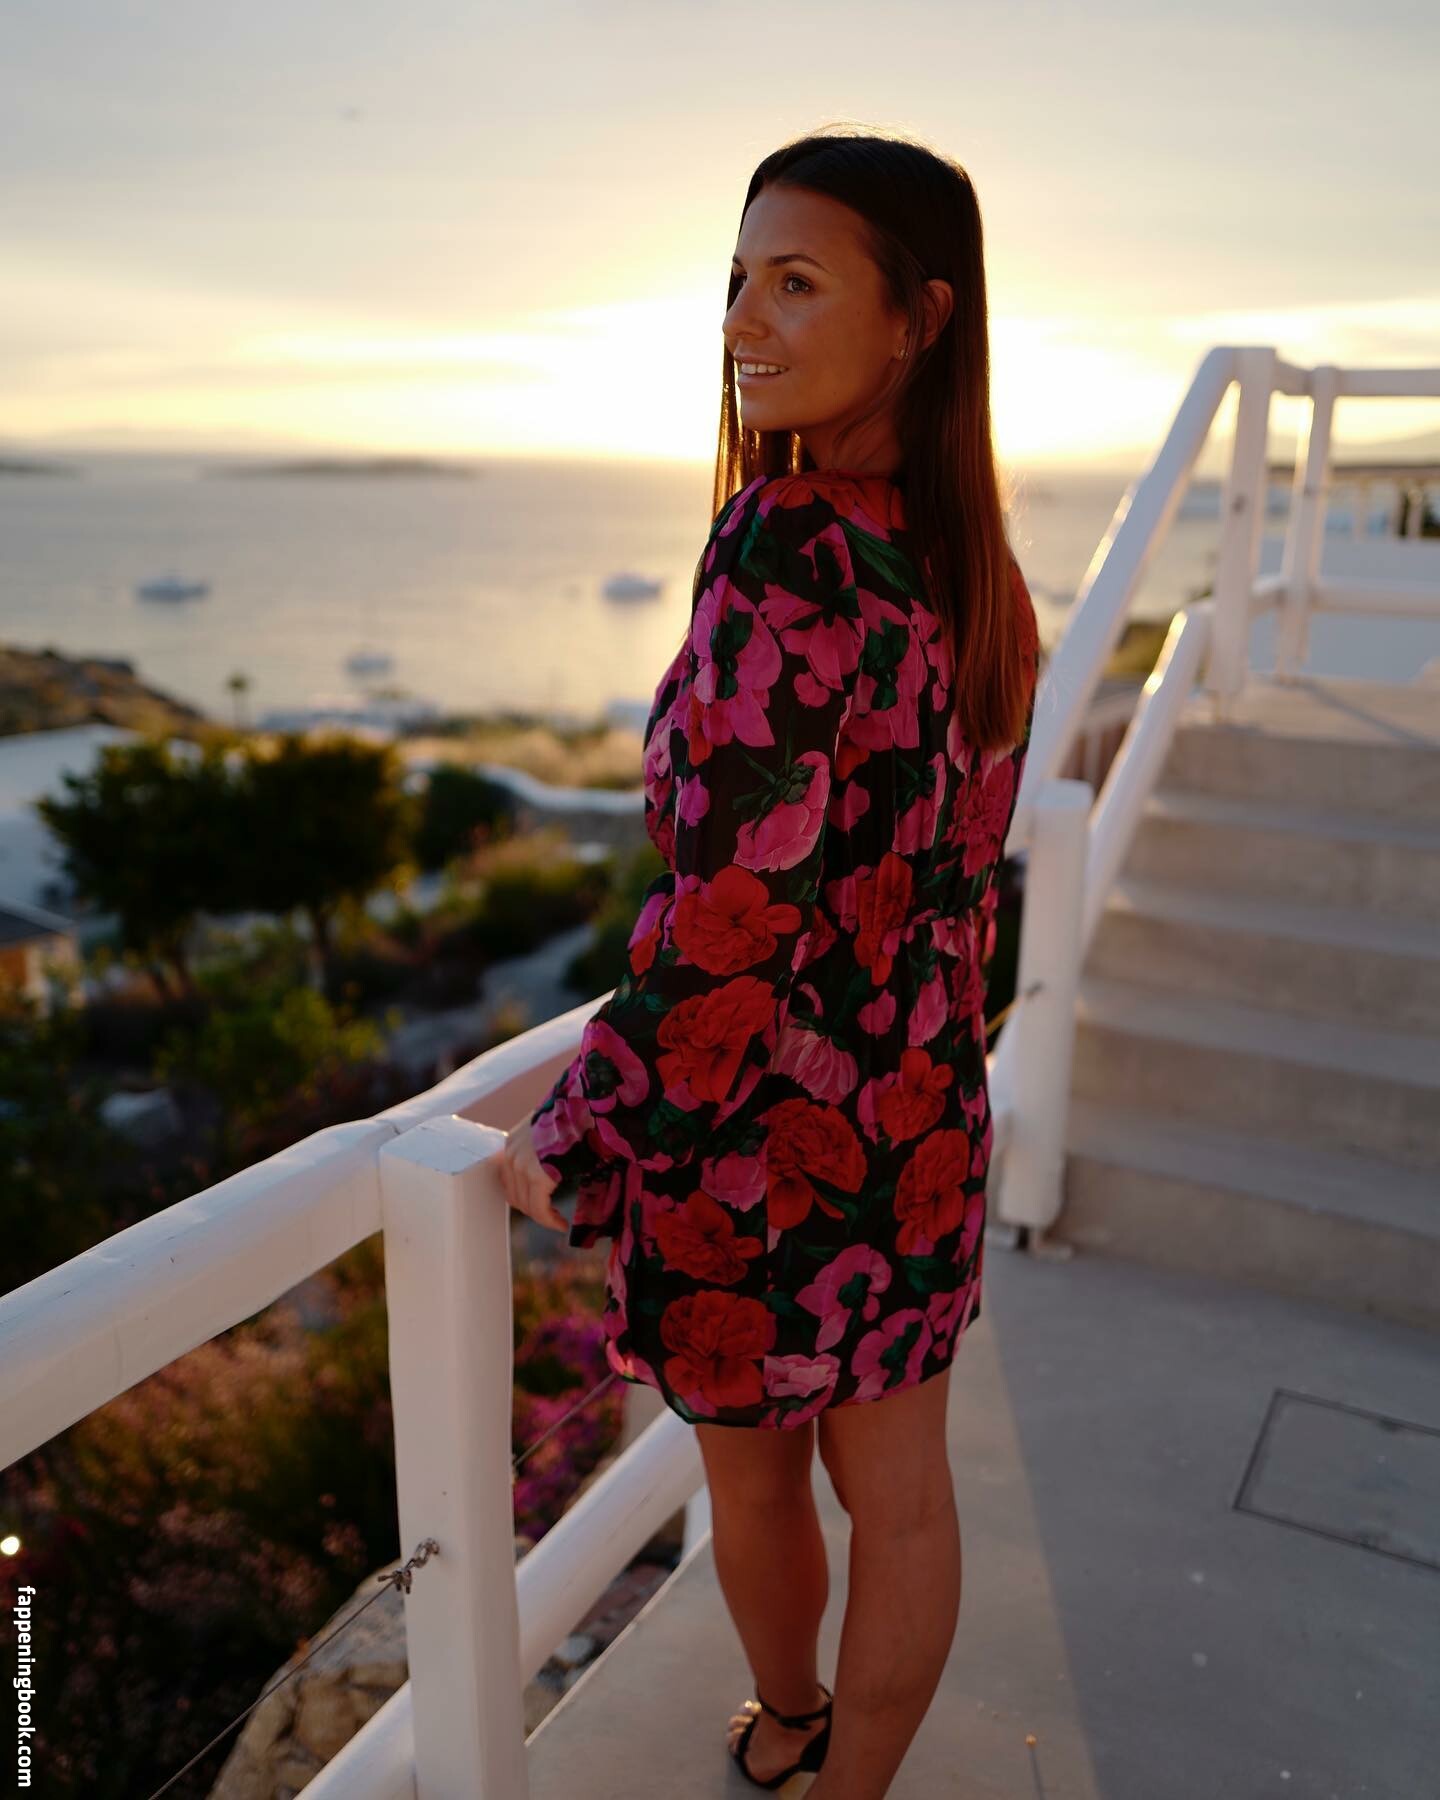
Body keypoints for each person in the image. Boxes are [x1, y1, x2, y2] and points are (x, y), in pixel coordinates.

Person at [488, 125, 1041, 1799]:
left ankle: (791, 1728)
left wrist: (575, 1135)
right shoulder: (977, 565)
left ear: (920, 318)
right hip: (924, 1105)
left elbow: (730, 925)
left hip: (759, 1134)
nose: (744, 319)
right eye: (738, 278)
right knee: (908, 1501)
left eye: (797, 282)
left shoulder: (786, 549)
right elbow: (949, 880)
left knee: (755, 1483)